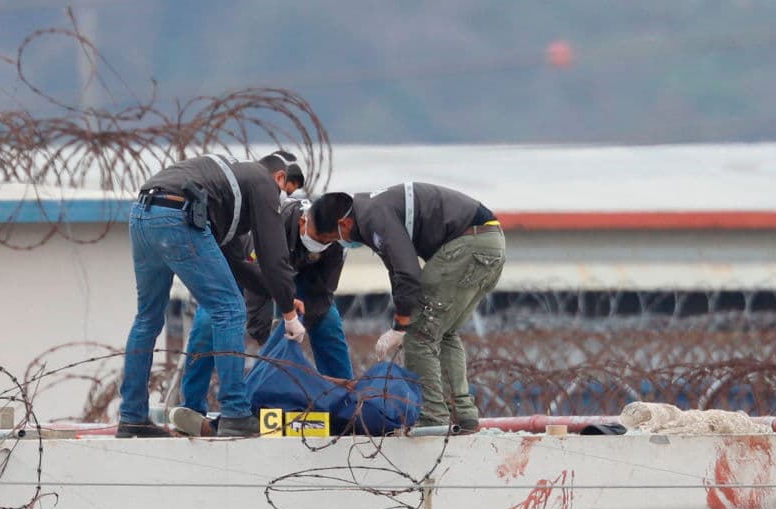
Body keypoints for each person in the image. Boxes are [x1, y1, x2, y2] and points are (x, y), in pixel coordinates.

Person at [116, 152, 306, 438]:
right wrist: (289, 315)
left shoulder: (224, 194)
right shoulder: (262, 182)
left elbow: (238, 266)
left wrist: (283, 298)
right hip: (178, 215)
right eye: (283, 191)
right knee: (229, 310)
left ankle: (132, 417)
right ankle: (235, 413)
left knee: (147, 318)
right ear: (279, 178)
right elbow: (272, 253)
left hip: (143, 215)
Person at [301, 184, 505, 431]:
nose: (337, 244)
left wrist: (400, 326)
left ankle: (432, 416)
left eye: (331, 239)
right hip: (488, 242)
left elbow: (408, 274)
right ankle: (464, 414)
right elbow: (397, 272)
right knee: (442, 332)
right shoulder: (371, 213)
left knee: (419, 333)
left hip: (469, 244)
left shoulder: (374, 217)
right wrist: (400, 321)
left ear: (343, 225)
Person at [173, 197, 353, 434]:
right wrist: (272, 344)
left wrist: (297, 324)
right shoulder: (273, 225)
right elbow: (255, 292)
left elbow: (322, 296)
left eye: (329, 241)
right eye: (319, 238)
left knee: (328, 321)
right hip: (243, 271)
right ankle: (194, 409)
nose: (323, 244)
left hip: (293, 279)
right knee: (209, 319)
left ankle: (345, 407)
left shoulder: (335, 245)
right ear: (302, 222)